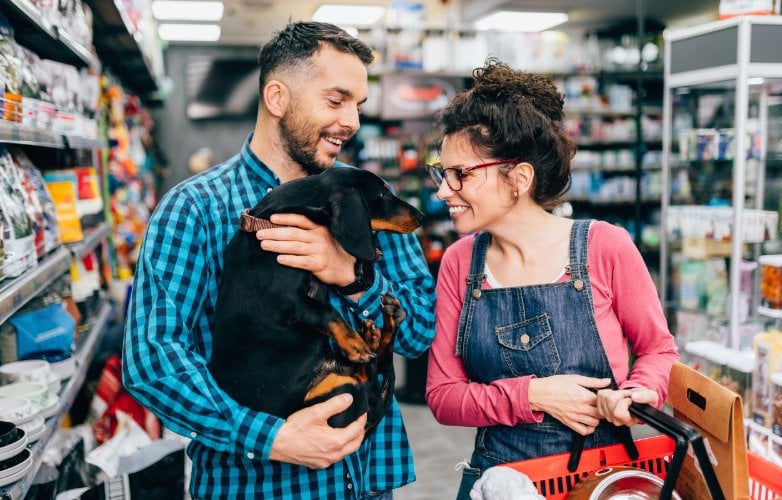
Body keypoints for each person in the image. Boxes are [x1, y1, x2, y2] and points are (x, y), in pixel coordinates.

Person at [122, 21, 436, 499]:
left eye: (358, 104)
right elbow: (153, 361)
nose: (351, 121)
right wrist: (270, 437)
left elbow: (418, 334)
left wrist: (353, 277)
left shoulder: (368, 198)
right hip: (255, 485)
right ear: (277, 97)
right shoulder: (196, 208)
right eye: (336, 100)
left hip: (365, 482)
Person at [423, 58, 679, 499]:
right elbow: (443, 395)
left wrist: (638, 394)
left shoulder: (605, 247)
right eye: (441, 173)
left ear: (518, 178)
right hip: (495, 482)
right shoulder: (459, 262)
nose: (443, 190)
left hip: (599, 480)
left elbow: (659, 350)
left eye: (459, 174)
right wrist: (533, 395)